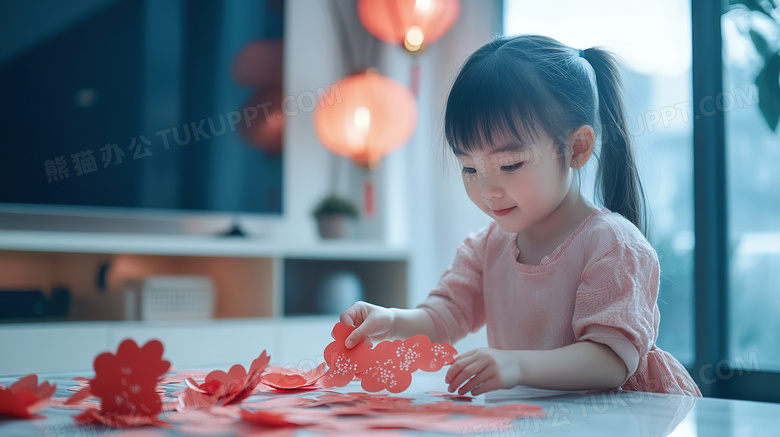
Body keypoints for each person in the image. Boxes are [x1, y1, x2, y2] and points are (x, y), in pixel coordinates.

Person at [339, 34, 701, 397]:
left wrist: (515, 364)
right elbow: (443, 317)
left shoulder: (612, 245)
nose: (488, 189)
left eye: (509, 164)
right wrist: (389, 320)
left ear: (577, 149)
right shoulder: (487, 247)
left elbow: (610, 361)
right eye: (469, 168)